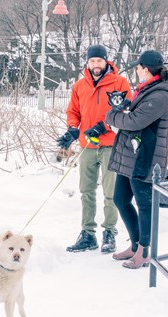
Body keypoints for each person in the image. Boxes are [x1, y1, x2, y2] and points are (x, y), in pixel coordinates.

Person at [104, 50, 168, 269]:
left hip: (146, 156)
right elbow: (132, 114)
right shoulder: (147, 90)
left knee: (144, 205)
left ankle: (145, 251)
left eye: (138, 67)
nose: (136, 71)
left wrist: (111, 116)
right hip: (132, 154)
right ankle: (135, 245)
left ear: (146, 69)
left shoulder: (160, 95)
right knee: (120, 198)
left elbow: (135, 121)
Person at [57, 45, 132, 254]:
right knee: (86, 191)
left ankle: (109, 232)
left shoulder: (119, 83)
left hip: (110, 144)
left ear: (106, 61)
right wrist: (72, 130)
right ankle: (88, 234)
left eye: (99, 61)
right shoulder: (80, 86)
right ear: (87, 63)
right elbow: (73, 111)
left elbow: (126, 110)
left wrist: (103, 127)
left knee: (111, 192)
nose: (96, 64)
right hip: (87, 146)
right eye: (92, 61)